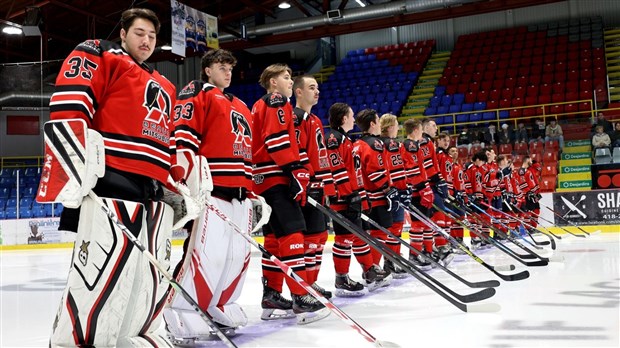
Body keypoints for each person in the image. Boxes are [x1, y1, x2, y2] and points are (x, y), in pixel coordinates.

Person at [42, 8, 177, 346]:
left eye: (151, 36)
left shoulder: (164, 84)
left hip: (152, 190)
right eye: (139, 33)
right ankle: (74, 342)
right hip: (111, 178)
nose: (145, 41)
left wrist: (175, 185)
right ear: (123, 34)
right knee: (100, 273)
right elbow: (70, 104)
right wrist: (71, 166)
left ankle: (125, 337)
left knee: (141, 278)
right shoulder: (101, 53)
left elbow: (168, 140)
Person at [164, 49, 254, 342]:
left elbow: (246, 152)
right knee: (204, 254)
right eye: (221, 66)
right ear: (207, 70)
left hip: (239, 192)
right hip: (212, 188)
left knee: (234, 255)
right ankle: (178, 307)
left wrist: (252, 191)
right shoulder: (197, 92)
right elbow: (183, 137)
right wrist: (187, 184)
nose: (227, 72)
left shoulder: (241, 104)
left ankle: (219, 302)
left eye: (230, 67)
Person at [251, 63, 329, 324]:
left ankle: (272, 293)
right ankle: (300, 296)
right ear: (273, 82)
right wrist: (294, 168)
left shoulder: (262, 103)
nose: (288, 82)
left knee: (273, 239)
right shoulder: (276, 100)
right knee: (293, 231)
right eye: (285, 78)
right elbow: (276, 139)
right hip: (275, 176)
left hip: (263, 177)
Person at [325, 103, 389, 296]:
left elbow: (353, 172)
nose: (354, 120)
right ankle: (342, 279)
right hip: (341, 198)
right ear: (344, 119)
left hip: (350, 195)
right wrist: (348, 194)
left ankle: (369, 270)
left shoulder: (345, 140)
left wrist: (359, 194)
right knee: (344, 239)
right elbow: (336, 170)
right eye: (351, 116)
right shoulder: (333, 139)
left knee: (358, 235)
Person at [292, 75, 335, 298]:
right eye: (311, 87)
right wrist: (307, 181)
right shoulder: (295, 117)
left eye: (317, 87)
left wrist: (327, 187)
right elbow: (298, 152)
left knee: (319, 236)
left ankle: (312, 282)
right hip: (305, 187)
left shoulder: (315, 120)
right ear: (298, 92)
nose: (316, 91)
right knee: (309, 238)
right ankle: (305, 286)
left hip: (318, 187)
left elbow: (321, 156)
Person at [352, 109, 394, 288]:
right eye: (377, 120)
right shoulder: (374, 143)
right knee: (379, 234)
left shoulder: (356, 144)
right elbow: (375, 172)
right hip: (375, 197)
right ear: (372, 124)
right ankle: (373, 272)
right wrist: (388, 189)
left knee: (369, 235)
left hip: (363, 197)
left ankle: (370, 270)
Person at [378, 113, 409, 277]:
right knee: (395, 227)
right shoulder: (392, 144)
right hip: (393, 191)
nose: (398, 128)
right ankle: (391, 261)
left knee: (389, 229)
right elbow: (396, 171)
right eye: (397, 124)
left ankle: (391, 259)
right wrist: (403, 189)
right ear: (390, 127)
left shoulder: (378, 143)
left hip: (384, 192)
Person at [401, 118, 435, 270]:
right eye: (421, 129)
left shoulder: (411, 145)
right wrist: (424, 188)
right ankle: (414, 254)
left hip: (419, 189)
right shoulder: (410, 145)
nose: (422, 133)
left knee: (424, 222)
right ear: (415, 130)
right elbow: (412, 169)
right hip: (416, 191)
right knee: (417, 224)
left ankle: (425, 251)